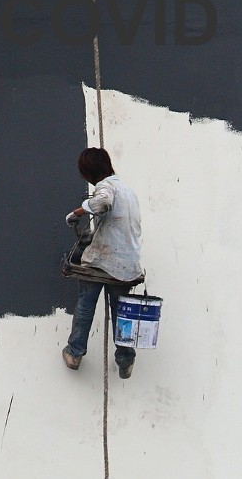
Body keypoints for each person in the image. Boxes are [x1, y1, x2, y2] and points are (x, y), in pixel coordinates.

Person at [61, 147, 144, 379]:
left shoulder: (105, 187)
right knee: (121, 312)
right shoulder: (128, 191)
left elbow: (103, 202)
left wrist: (77, 213)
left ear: (90, 172)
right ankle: (126, 359)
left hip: (104, 260)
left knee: (86, 304)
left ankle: (75, 352)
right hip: (127, 264)